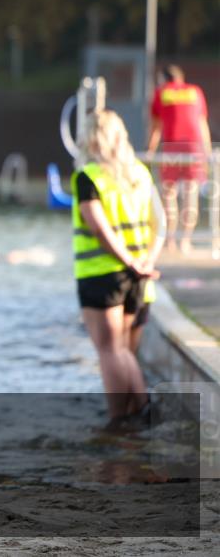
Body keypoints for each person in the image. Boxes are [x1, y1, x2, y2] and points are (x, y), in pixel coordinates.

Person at [72, 110, 163, 428]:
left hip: (103, 274)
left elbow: (99, 228)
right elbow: (160, 224)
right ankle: (136, 415)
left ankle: (127, 414)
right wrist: (146, 262)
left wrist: (128, 261)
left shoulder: (90, 177)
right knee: (124, 349)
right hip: (140, 277)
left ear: (92, 139)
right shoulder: (139, 173)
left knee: (110, 350)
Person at [147, 64, 212, 255]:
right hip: (194, 148)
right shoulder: (195, 91)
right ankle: (185, 241)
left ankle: (170, 242)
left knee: (169, 195)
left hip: (172, 147)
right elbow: (202, 124)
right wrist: (206, 153)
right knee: (191, 195)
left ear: (164, 79)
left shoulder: (162, 93)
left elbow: (156, 128)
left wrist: (149, 152)